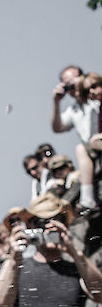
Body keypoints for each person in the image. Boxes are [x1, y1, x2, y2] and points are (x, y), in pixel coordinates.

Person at [51, 64, 100, 209]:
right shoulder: (73, 110)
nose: (71, 86)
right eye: (67, 84)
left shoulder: (95, 96)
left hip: (97, 143)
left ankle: (87, 198)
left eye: (73, 80)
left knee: (81, 148)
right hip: (91, 152)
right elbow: (57, 127)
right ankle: (87, 199)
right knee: (81, 148)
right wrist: (56, 102)